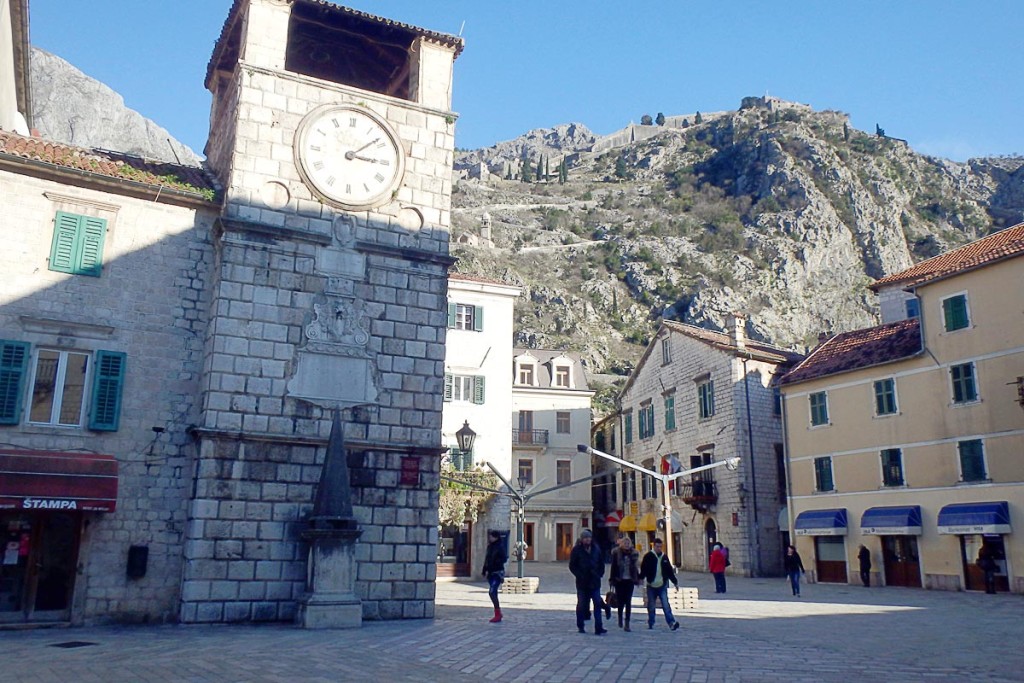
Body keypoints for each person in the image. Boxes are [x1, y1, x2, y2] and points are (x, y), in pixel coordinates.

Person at [569, 529, 607, 635]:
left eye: (589, 538)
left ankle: (598, 627)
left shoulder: (596, 549)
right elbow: (572, 565)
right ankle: (580, 625)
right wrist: (579, 575)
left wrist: (600, 573)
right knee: (581, 604)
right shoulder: (577, 550)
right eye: (585, 538)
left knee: (597, 603)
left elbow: (601, 562)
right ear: (582, 539)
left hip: (595, 582)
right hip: (582, 582)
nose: (587, 540)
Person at [639, 537, 681, 631]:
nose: (659, 548)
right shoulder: (648, 556)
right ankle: (651, 622)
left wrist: (675, 582)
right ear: (654, 546)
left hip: (662, 584)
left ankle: (671, 623)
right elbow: (643, 569)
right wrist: (640, 578)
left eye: (660, 547)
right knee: (651, 605)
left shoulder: (664, 557)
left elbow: (669, 571)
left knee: (666, 605)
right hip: (651, 585)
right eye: (657, 546)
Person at [609, 534, 640, 631]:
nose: (627, 544)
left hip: (629, 580)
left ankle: (627, 623)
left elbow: (635, 568)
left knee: (628, 602)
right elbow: (613, 567)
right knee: (620, 601)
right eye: (625, 543)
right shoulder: (617, 554)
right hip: (620, 580)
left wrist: (638, 578)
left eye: (628, 543)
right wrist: (612, 579)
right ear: (621, 544)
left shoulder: (633, 554)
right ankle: (620, 618)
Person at [481, 530, 507, 623]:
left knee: (492, 592)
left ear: (495, 537)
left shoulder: (500, 547)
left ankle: (498, 613)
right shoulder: (490, 547)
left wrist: (496, 563)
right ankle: (498, 613)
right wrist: (484, 570)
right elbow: (487, 559)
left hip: (497, 572)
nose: (490, 538)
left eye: (491, 536)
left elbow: (504, 558)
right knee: (494, 593)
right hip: (490, 573)